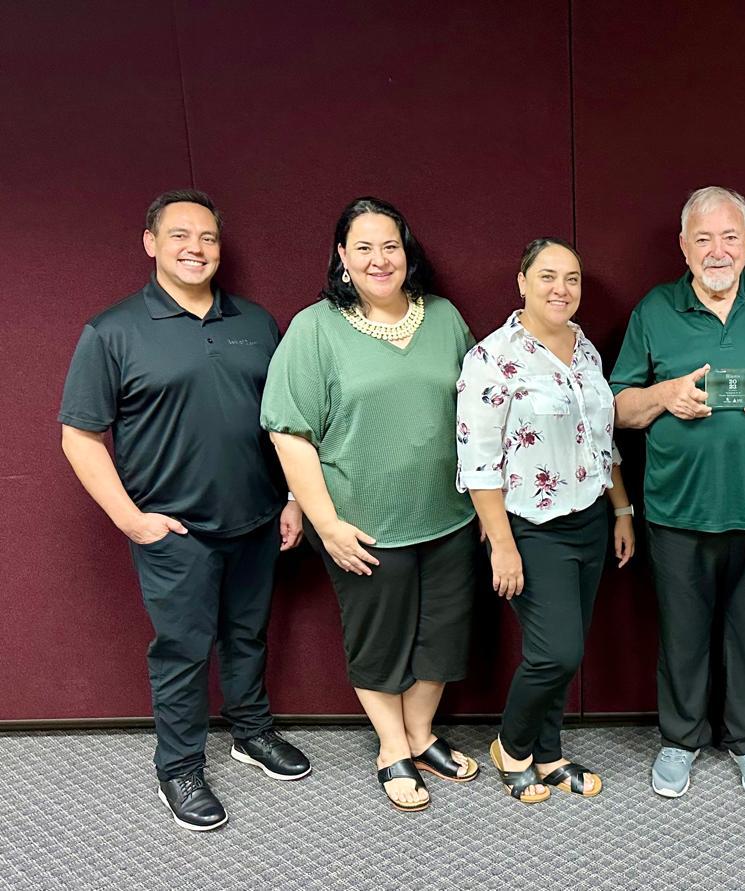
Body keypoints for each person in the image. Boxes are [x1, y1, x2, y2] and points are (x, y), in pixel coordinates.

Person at [59, 190, 311, 832]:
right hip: (174, 531)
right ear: (150, 243)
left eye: (207, 238)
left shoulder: (257, 322)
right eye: (179, 235)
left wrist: (291, 499)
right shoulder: (112, 330)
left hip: (258, 520)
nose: (194, 248)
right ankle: (178, 766)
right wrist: (131, 520)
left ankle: (251, 734)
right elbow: (79, 435)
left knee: (247, 635)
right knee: (183, 649)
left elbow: (286, 423)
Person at [261, 197, 480, 813]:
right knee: (379, 641)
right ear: (342, 258)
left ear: (407, 252)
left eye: (390, 245)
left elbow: (480, 412)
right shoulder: (315, 328)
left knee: (441, 637)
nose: (379, 259)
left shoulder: (443, 318)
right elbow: (289, 431)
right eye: (364, 247)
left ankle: (421, 735)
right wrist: (324, 523)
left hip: (450, 516)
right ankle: (392, 749)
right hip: (362, 523)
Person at [611, 186, 745, 800]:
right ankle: (680, 740)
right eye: (702, 238)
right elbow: (618, 406)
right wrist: (663, 397)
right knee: (682, 633)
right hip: (679, 507)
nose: (717, 249)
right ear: (683, 246)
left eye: (729, 236)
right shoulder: (655, 308)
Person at [456, 238, 635, 803]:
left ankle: (550, 754)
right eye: (548, 276)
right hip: (529, 525)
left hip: (589, 517)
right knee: (554, 651)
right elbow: (477, 459)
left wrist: (622, 509)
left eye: (573, 278)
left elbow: (602, 440)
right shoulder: (492, 357)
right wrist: (502, 546)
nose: (562, 289)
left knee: (570, 647)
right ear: (522, 282)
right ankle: (512, 747)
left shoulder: (585, 349)